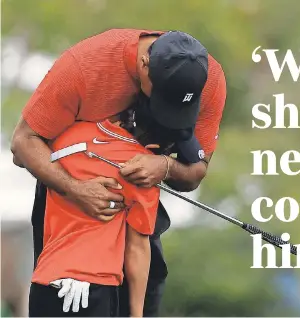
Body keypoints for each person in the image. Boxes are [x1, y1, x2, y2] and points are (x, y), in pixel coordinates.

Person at [11, 29, 226, 316]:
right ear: (144, 65)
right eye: (164, 101)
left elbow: (196, 171)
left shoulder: (209, 79)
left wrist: (165, 166)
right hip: (64, 189)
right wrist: (76, 189)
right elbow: (22, 143)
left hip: (141, 188)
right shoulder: (82, 67)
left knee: (147, 283)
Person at [29, 102, 205, 317]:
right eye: (170, 146)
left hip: (44, 281)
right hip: (93, 288)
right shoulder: (143, 170)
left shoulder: (69, 134)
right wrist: (137, 313)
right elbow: (137, 248)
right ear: (155, 143)